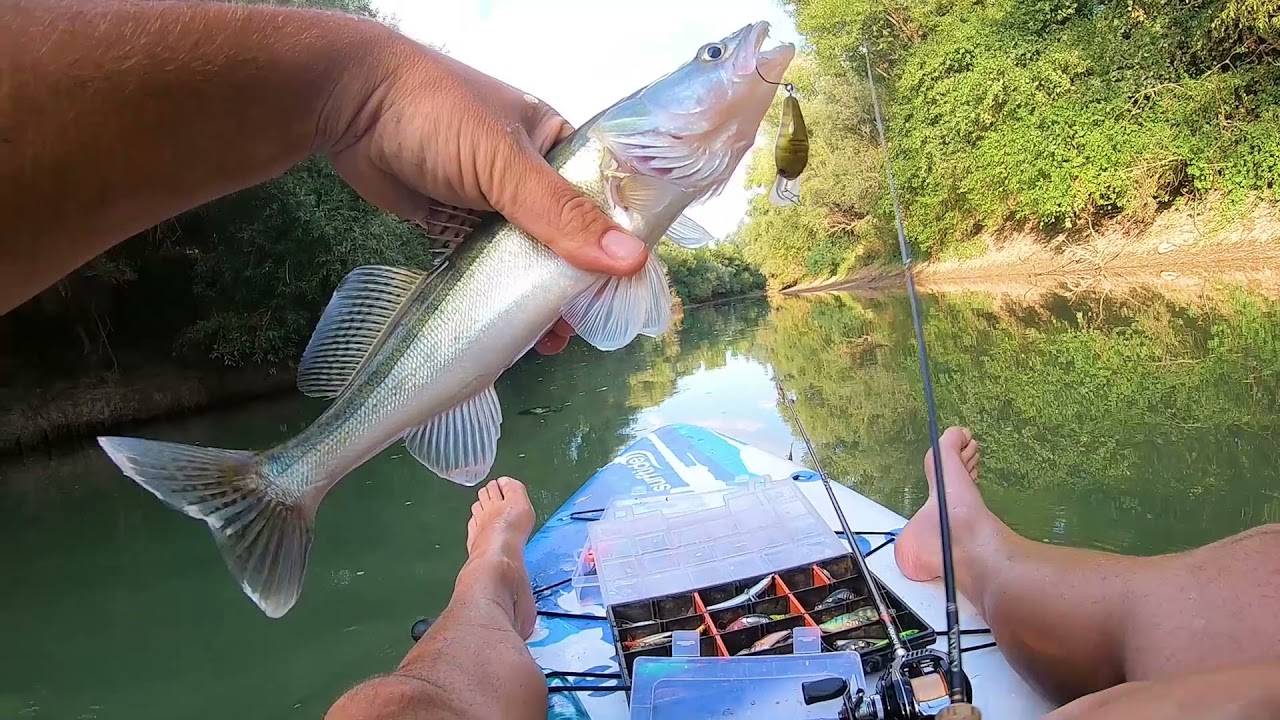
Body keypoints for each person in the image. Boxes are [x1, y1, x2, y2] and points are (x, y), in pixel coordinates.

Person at [5, 3, 1278, 720]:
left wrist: (354, 88)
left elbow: (611, 293)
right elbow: (598, 263)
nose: (742, 64)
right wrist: (356, 81)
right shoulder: (604, 170)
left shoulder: (639, 189)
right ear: (640, 128)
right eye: (716, 58)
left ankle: (481, 582)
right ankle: (302, 486)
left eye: (737, 56)